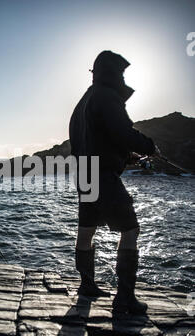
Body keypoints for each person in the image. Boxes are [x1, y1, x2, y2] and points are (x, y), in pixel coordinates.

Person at [69, 50, 162, 314]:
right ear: (111, 72)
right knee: (130, 230)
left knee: (86, 229)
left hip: (85, 173)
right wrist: (149, 146)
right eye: (120, 72)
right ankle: (125, 299)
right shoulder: (107, 96)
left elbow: (99, 139)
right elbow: (123, 132)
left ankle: (86, 285)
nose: (122, 77)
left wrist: (126, 156)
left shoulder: (84, 100)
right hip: (102, 175)